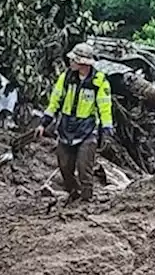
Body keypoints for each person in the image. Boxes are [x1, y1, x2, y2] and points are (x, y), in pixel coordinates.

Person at [37, 43, 114, 203]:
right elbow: (55, 101)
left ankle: (86, 201)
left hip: (87, 130)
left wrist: (106, 131)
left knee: (84, 167)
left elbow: (105, 108)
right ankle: (74, 193)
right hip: (66, 128)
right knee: (64, 166)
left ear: (83, 63)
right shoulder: (65, 78)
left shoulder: (99, 82)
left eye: (74, 59)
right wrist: (44, 123)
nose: (70, 62)